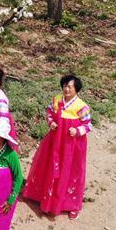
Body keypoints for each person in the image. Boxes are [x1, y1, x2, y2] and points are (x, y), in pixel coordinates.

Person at [22, 74, 92, 219]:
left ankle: (71, 205)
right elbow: (49, 112)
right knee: (48, 166)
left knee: (69, 171)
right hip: (54, 141)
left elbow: (88, 125)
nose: (66, 89)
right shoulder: (56, 99)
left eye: (69, 86)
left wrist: (77, 130)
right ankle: (42, 197)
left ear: (76, 89)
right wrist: (51, 122)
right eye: (64, 86)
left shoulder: (82, 106)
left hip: (71, 145)